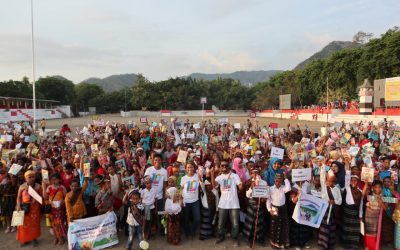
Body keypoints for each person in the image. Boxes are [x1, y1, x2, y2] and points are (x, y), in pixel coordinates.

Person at [214, 159, 243, 247]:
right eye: (222, 165)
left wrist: (241, 184)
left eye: (226, 165)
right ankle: (221, 236)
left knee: (235, 223)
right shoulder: (219, 177)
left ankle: (235, 238)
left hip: (234, 203)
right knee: (221, 222)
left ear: (229, 167)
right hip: (222, 203)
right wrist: (212, 174)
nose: (224, 167)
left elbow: (240, 187)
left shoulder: (235, 176)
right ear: (220, 167)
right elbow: (214, 186)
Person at [242, 166, 268, 246]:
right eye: (253, 173)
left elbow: (266, 194)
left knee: (259, 222)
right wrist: (251, 187)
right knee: (250, 223)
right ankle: (249, 239)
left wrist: (264, 199)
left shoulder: (264, 182)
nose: (255, 174)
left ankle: (260, 239)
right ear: (250, 174)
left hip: (260, 204)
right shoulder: (248, 182)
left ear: (259, 173)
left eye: (257, 173)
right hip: (251, 204)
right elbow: (247, 195)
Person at [16, 170, 42, 247]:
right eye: (29, 177)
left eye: (33, 177)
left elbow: (41, 198)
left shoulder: (38, 186)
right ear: (25, 178)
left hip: (35, 209)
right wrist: (18, 205)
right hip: (24, 208)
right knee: (23, 225)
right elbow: (18, 198)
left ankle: (34, 239)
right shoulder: (22, 186)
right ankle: (25, 239)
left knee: (34, 225)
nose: (31, 178)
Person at [144, 154, 168, 235]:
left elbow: (165, 184)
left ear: (161, 161)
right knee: (150, 214)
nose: (157, 161)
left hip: (160, 196)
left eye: (159, 160)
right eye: (155, 160)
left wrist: (165, 194)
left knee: (160, 213)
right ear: (153, 161)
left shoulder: (164, 171)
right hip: (150, 197)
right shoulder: (149, 170)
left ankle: (161, 228)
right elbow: (145, 182)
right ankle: (151, 230)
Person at [318, 170, 342, 250]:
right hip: (324, 211)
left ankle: (330, 245)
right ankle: (323, 245)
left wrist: (334, 201)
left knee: (332, 228)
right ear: (326, 180)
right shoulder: (324, 188)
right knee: (324, 228)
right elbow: (321, 177)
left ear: (334, 181)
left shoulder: (337, 189)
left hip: (333, 212)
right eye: (328, 181)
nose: (330, 183)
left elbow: (340, 201)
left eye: (332, 181)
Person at [267, 173, 291, 249]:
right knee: (275, 227)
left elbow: (289, 188)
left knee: (283, 227)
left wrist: (286, 178)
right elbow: (268, 200)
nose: (278, 183)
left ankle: (282, 244)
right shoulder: (270, 189)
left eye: (280, 181)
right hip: (274, 209)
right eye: (277, 181)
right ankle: (274, 243)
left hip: (283, 209)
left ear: (282, 182)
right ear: (274, 181)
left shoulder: (283, 188)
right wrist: (269, 209)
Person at [43, 173, 68, 245]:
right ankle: (56, 238)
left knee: (59, 223)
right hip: (52, 209)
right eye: (52, 180)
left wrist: (61, 203)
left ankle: (60, 238)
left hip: (59, 209)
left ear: (59, 180)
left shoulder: (62, 187)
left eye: (55, 179)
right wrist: (44, 186)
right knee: (53, 224)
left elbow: (66, 197)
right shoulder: (49, 187)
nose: (54, 181)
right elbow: (45, 197)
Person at [364, 180, 388, 250]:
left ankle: (374, 247)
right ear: (373, 188)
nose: (377, 189)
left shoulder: (384, 196)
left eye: (379, 187)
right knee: (368, 233)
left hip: (377, 219)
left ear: (382, 188)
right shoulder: (370, 194)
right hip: (368, 217)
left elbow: (385, 208)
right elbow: (364, 194)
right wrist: (366, 184)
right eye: (375, 187)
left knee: (376, 234)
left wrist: (381, 202)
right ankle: (368, 247)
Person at [180, 161, 200, 239]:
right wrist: (181, 199)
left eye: (191, 167)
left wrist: (201, 178)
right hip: (186, 201)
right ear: (185, 168)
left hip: (195, 201)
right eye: (188, 167)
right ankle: (188, 233)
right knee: (186, 219)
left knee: (197, 219)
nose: (190, 169)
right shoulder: (183, 178)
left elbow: (202, 185)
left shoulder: (197, 176)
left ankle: (192, 230)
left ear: (194, 168)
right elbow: (181, 189)